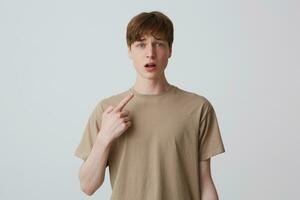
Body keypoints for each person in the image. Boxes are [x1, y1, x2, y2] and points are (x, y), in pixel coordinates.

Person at [74, 11, 225, 200]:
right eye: (141, 44)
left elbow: (205, 183)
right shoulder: (108, 110)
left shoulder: (198, 108)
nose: (150, 53)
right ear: (130, 50)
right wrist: (104, 138)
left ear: (170, 50)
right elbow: (88, 186)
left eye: (159, 44)